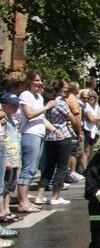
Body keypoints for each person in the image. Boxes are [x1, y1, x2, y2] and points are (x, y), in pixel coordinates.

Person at [35, 80, 80, 207]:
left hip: (49, 137)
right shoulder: (61, 103)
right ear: (60, 89)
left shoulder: (46, 102)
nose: (66, 90)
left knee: (48, 167)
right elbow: (72, 118)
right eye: (64, 88)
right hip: (63, 136)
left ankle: (40, 195)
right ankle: (56, 196)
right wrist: (78, 129)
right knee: (62, 167)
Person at [16, 70, 55, 213]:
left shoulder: (38, 97)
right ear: (29, 81)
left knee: (32, 169)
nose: (40, 83)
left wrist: (54, 130)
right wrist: (47, 106)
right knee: (28, 169)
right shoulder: (25, 95)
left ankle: (25, 200)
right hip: (29, 134)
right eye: (36, 80)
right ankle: (22, 202)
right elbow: (30, 114)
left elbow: (41, 118)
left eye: (41, 80)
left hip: (39, 134)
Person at [1, 93, 21, 224]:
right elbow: (3, 140)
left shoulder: (10, 118)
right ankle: (3, 211)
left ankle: (7, 209)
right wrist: (6, 160)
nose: (16, 107)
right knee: (5, 186)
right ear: (4, 105)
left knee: (10, 185)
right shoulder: (3, 120)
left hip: (14, 156)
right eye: (13, 105)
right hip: (7, 156)